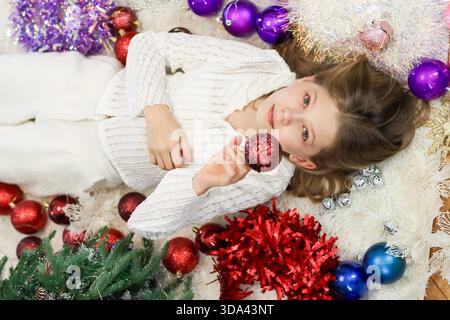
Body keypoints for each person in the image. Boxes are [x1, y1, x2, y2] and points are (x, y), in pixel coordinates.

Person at [0, 31, 429, 239]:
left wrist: (201, 181)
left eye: (303, 131)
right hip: (86, 83)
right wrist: (157, 112)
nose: (287, 115)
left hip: (86, 159)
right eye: (306, 99)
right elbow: (151, 46)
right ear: (311, 77)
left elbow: (148, 223)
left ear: (305, 160)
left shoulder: (260, 178)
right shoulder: (263, 68)